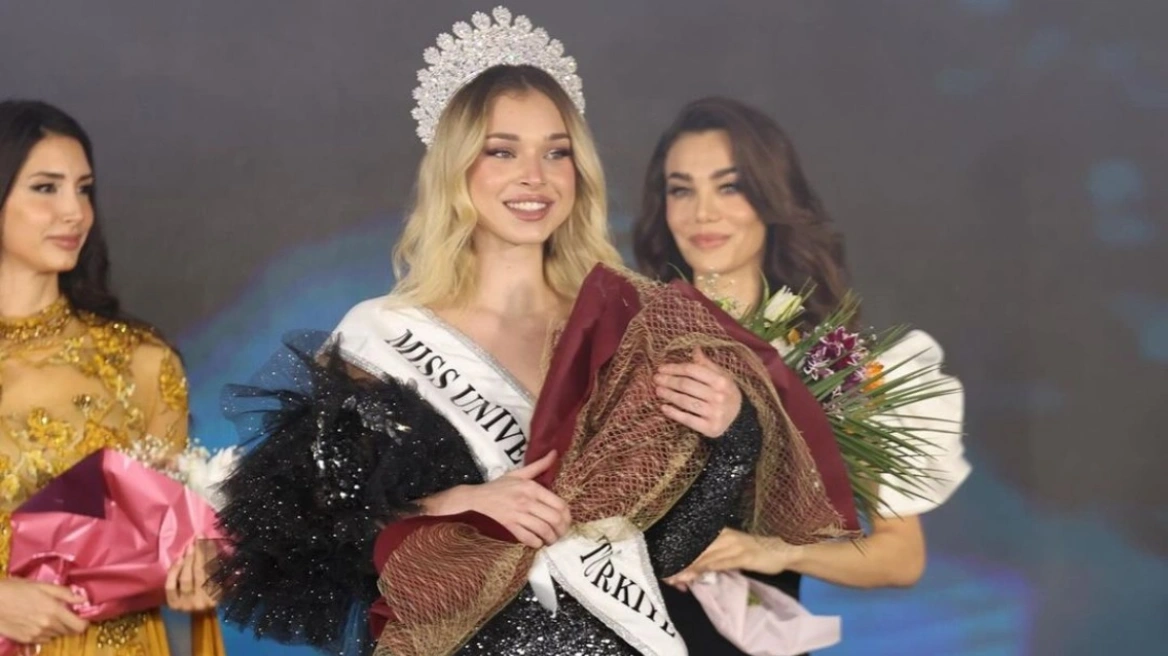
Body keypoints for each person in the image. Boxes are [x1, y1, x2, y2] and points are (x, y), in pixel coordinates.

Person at [211, 9, 856, 656]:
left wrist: (735, 435)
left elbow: (663, 553)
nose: (535, 177)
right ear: (456, 166)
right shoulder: (382, 336)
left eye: (556, 152)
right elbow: (306, 533)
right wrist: (459, 504)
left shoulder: (628, 324)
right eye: (502, 151)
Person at [633, 96, 972, 652]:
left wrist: (774, 551)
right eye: (681, 190)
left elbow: (901, 556)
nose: (702, 213)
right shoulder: (625, 340)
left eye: (729, 186)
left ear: (770, 197)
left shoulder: (832, 367)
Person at [0, 100, 223, 655]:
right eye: (46, 188)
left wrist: (206, 566)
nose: (74, 212)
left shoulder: (140, 360)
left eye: (84, 189)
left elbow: (176, 542)